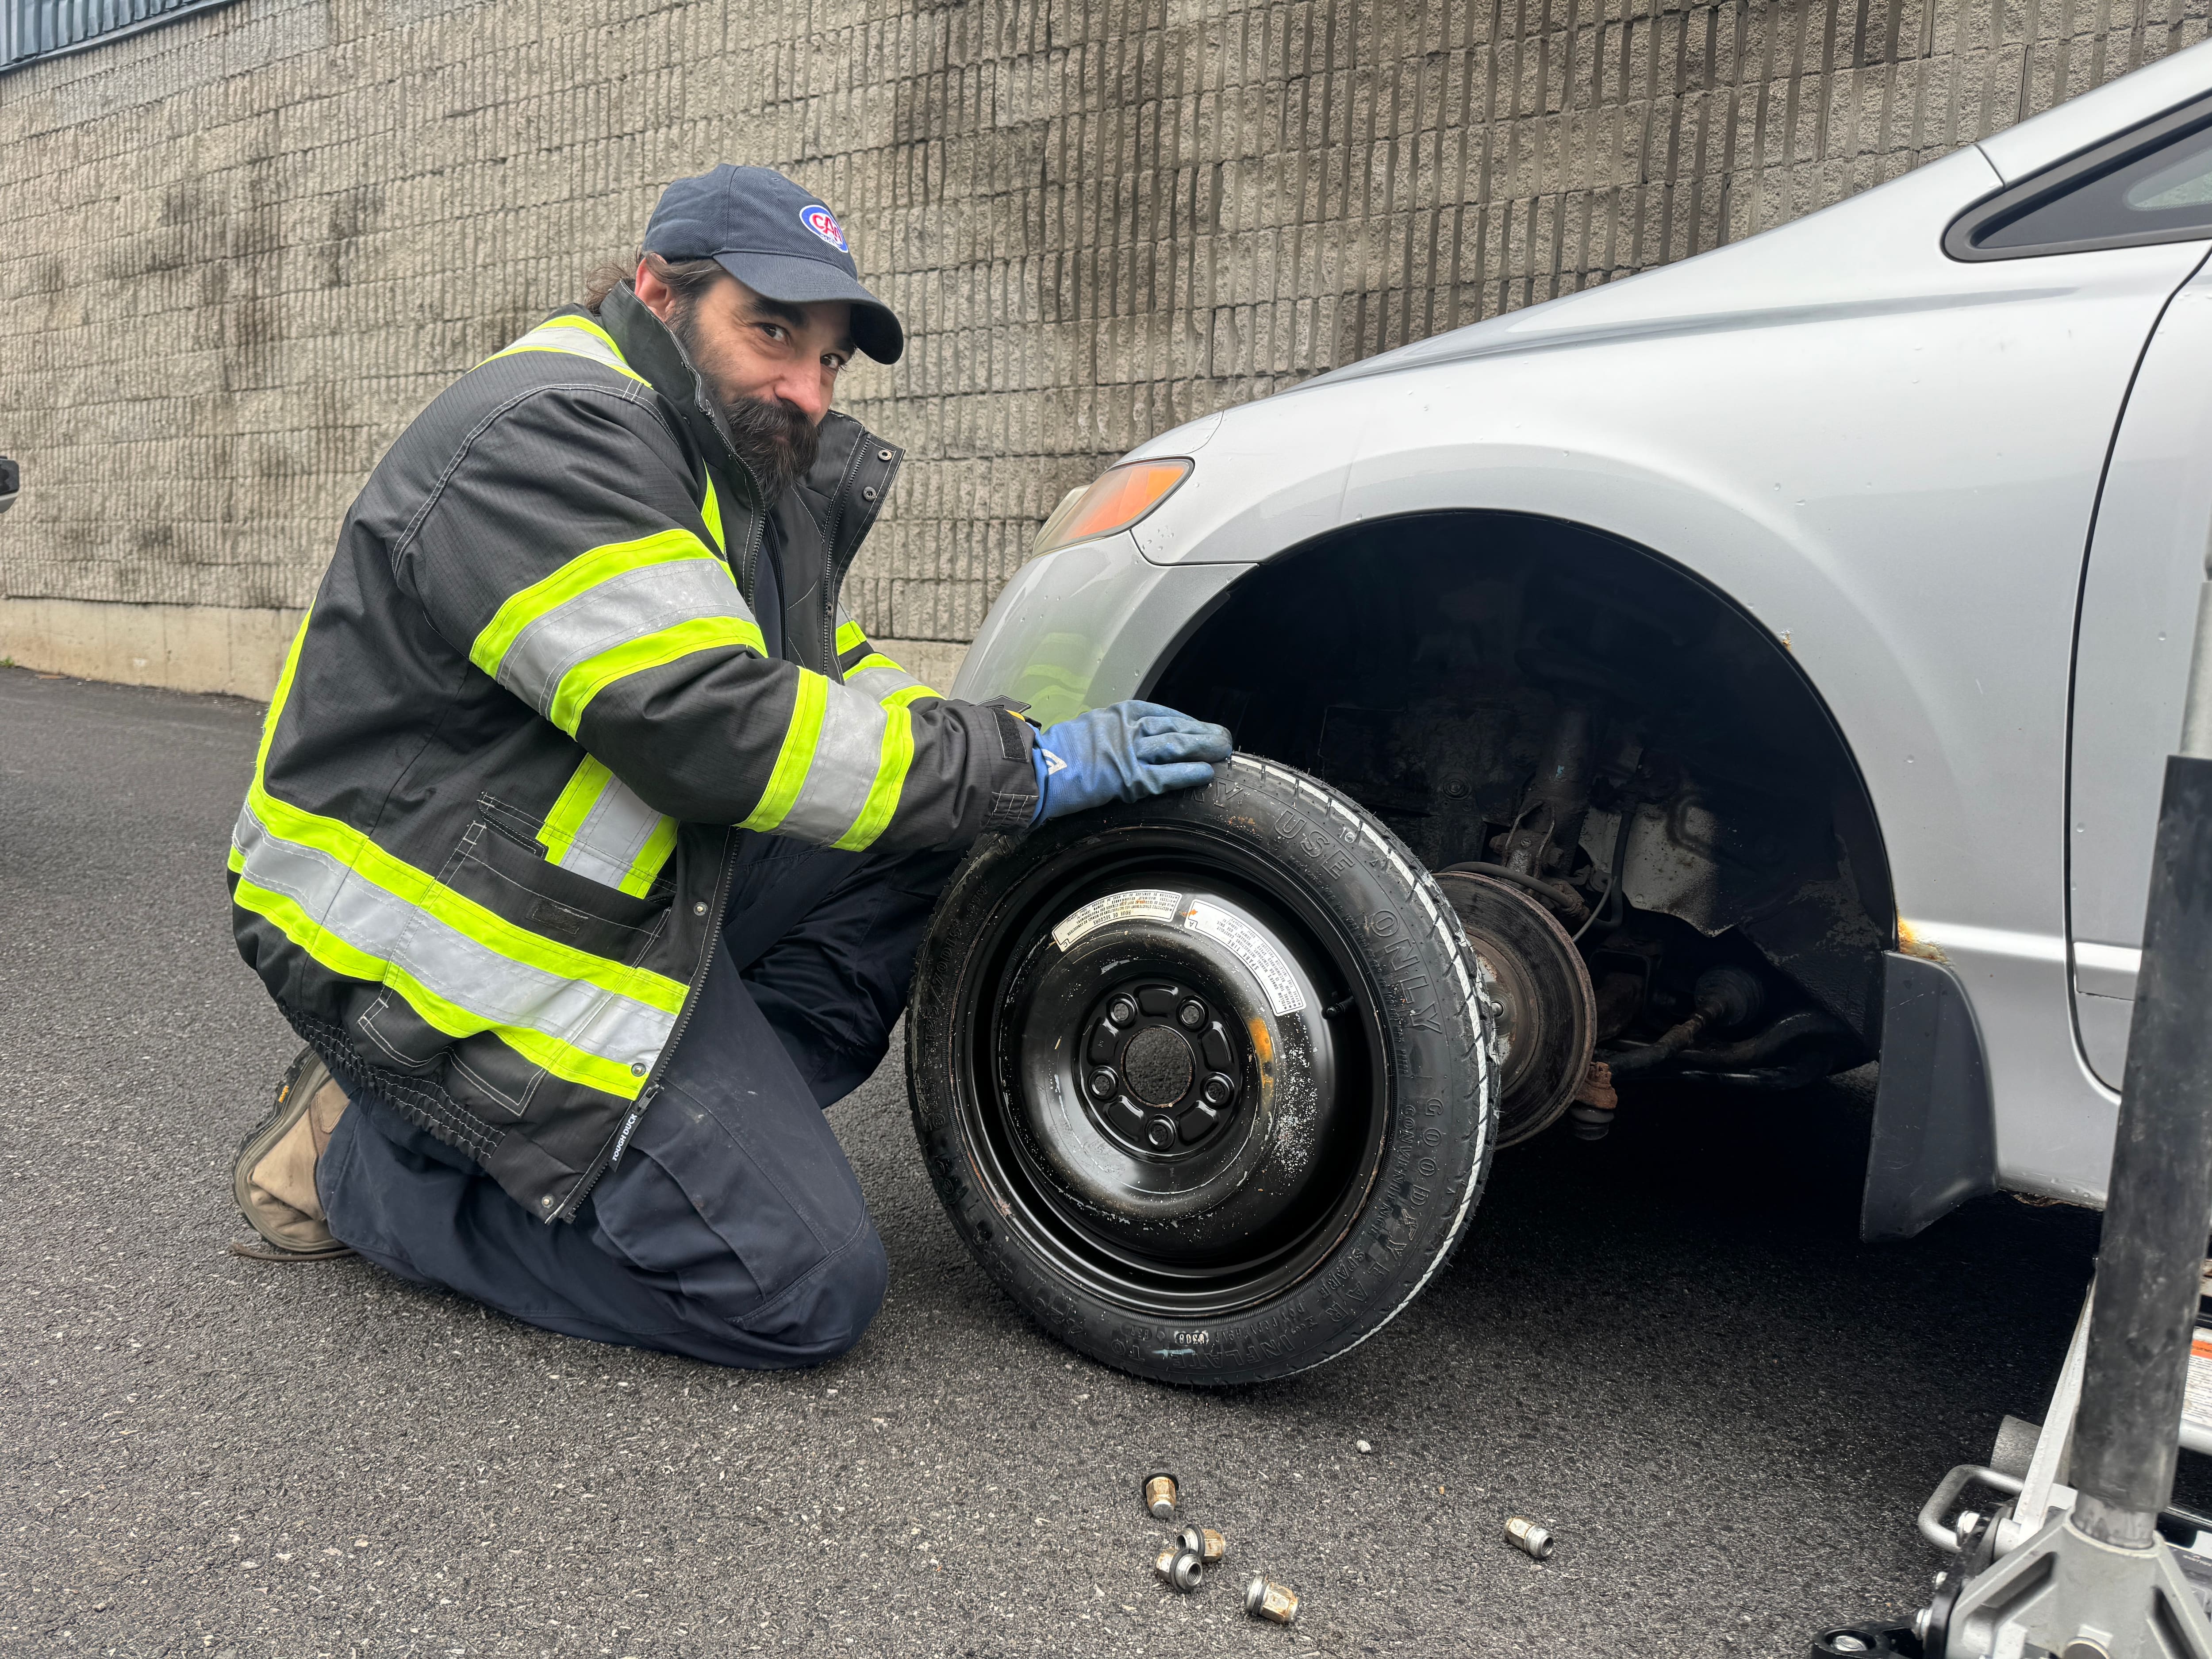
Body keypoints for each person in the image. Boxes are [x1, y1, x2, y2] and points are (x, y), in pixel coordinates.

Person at [226, 165, 1232, 1368]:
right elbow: (715, 725)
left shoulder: (732, 460)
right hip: (429, 934)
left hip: (579, 885)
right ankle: (362, 1174)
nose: (805, 388)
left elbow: (825, 673)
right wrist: (1021, 759)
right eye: (772, 332)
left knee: (945, 829)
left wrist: (1004, 751)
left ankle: (668, 1132)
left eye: (828, 362)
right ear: (660, 291)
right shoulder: (553, 431)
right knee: (800, 1285)